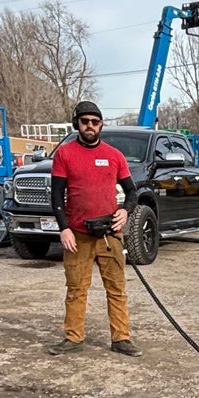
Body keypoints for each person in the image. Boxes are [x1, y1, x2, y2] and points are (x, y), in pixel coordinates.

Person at [47, 100, 139, 355]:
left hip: (110, 234)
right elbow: (56, 196)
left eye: (95, 122)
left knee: (117, 288)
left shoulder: (114, 155)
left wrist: (125, 211)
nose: (90, 126)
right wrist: (63, 228)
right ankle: (73, 338)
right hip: (77, 235)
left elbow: (132, 192)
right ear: (76, 123)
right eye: (85, 121)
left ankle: (121, 338)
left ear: (101, 124)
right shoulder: (65, 154)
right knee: (76, 288)